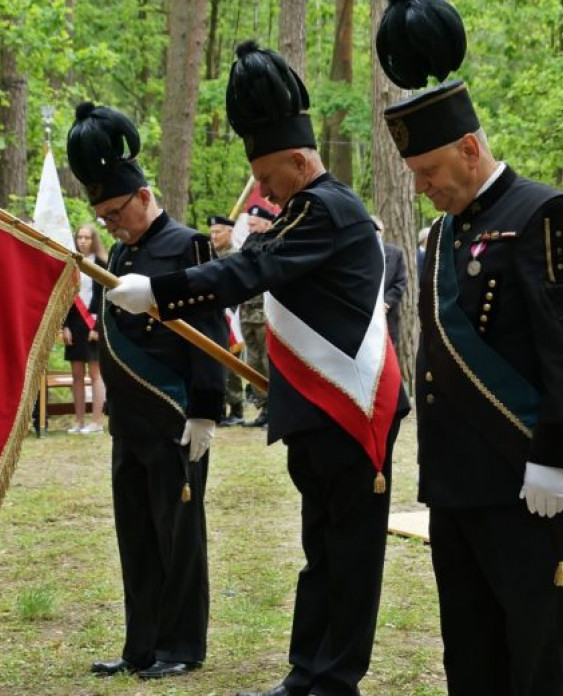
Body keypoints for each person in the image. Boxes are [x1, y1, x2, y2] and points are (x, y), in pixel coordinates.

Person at [107, 40, 410, 696]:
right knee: (321, 554)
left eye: (269, 177)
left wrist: (161, 293)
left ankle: (334, 680)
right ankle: (307, 674)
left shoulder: (329, 210)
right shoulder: (302, 209)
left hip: (351, 412)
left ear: (301, 160)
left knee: (350, 557)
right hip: (317, 415)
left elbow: (249, 270)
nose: (263, 192)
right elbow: (253, 258)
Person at [375, 0, 563, 696]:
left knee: (533, 646)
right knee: (468, 650)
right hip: (455, 486)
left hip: (523, 478)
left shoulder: (546, 215)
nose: (422, 188)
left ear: (470, 147)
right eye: (414, 175)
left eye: (431, 172)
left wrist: (556, 459)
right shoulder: (443, 236)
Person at [66, 102, 227, 680]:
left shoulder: (188, 248)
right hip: (129, 423)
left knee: (178, 535)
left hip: (175, 419)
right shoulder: (123, 252)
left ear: (143, 196)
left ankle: (182, 645)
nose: (109, 223)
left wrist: (207, 410)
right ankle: (142, 645)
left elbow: (209, 335)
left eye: (114, 211)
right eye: (101, 215)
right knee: (136, 535)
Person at [62, 222, 107, 433]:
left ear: (94, 240)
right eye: (79, 237)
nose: (82, 241)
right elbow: (64, 298)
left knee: (95, 373)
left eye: (87, 237)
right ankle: (79, 421)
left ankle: (96, 421)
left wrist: (97, 326)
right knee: (77, 375)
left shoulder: (100, 263)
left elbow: (104, 297)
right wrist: (65, 327)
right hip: (75, 324)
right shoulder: (71, 264)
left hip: (94, 324)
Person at [239, 204, 276, 429]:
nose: (250, 228)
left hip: (265, 313)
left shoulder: (273, 244)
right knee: (252, 363)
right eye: (249, 224)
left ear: (266, 224)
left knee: (268, 360)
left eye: (254, 224)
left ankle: (275, 408)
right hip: (247, 312)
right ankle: (263, 407)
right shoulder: (248, 245)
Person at [208, 214, 246, 426]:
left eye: (218, 232)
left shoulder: (235, 255)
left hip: (232, 313)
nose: (214, 236)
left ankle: (237, 407)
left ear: (230, 232)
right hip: (215, 313)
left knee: (232, 363)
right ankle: (219, 406)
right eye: (211, 233)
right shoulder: (210, 255)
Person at [373, 216, 409, 346]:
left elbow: (400, 282)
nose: (375, 233)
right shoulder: (359, 254)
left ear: (383, 232)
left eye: (378, 230)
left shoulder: (395, 254)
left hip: (388, 317)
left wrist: (386, 303)